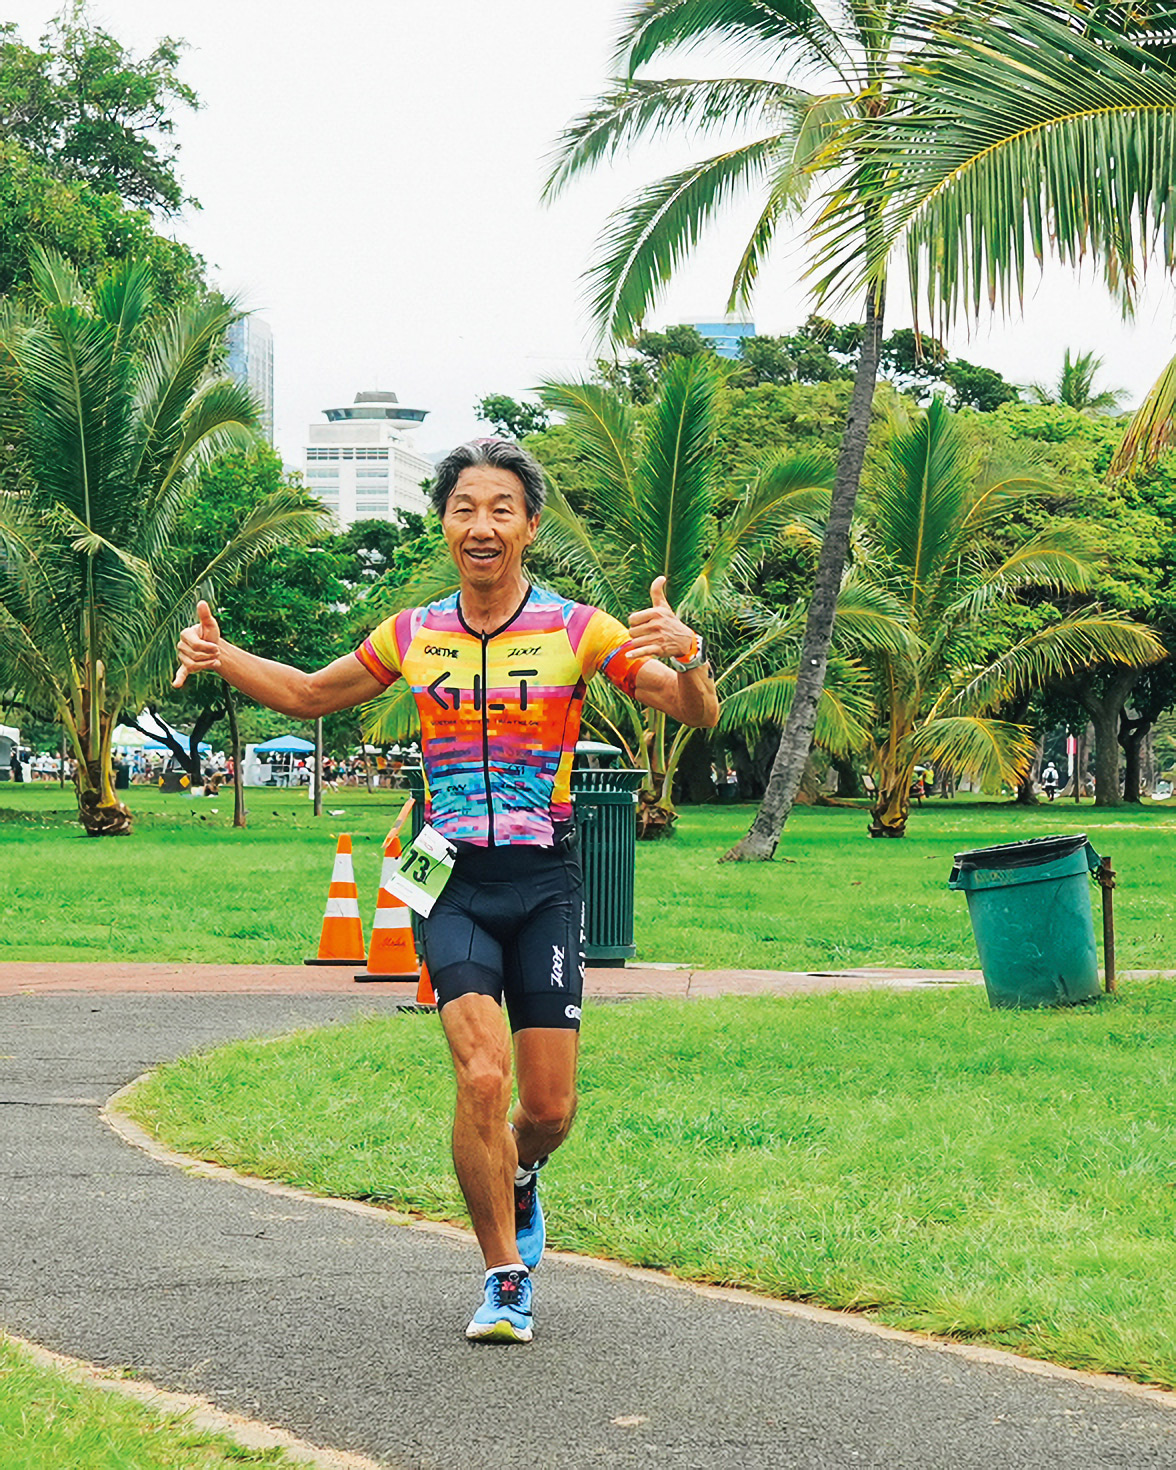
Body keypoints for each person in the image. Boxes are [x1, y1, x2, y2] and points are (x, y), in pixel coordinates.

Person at [173, 438, 719, 1344]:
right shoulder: (413, 632)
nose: (482, 524)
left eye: (502, 508)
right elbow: (312, 695)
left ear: (530, 527)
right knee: (479, 1076)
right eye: (466, 507)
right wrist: (225, 656)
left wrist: (692, 657)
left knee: (546, 1111)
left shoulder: (580, 630)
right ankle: (505, 1277)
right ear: (445, 523)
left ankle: (519, 1171)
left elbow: (691, 710)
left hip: (543, 880)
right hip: (450, 879)